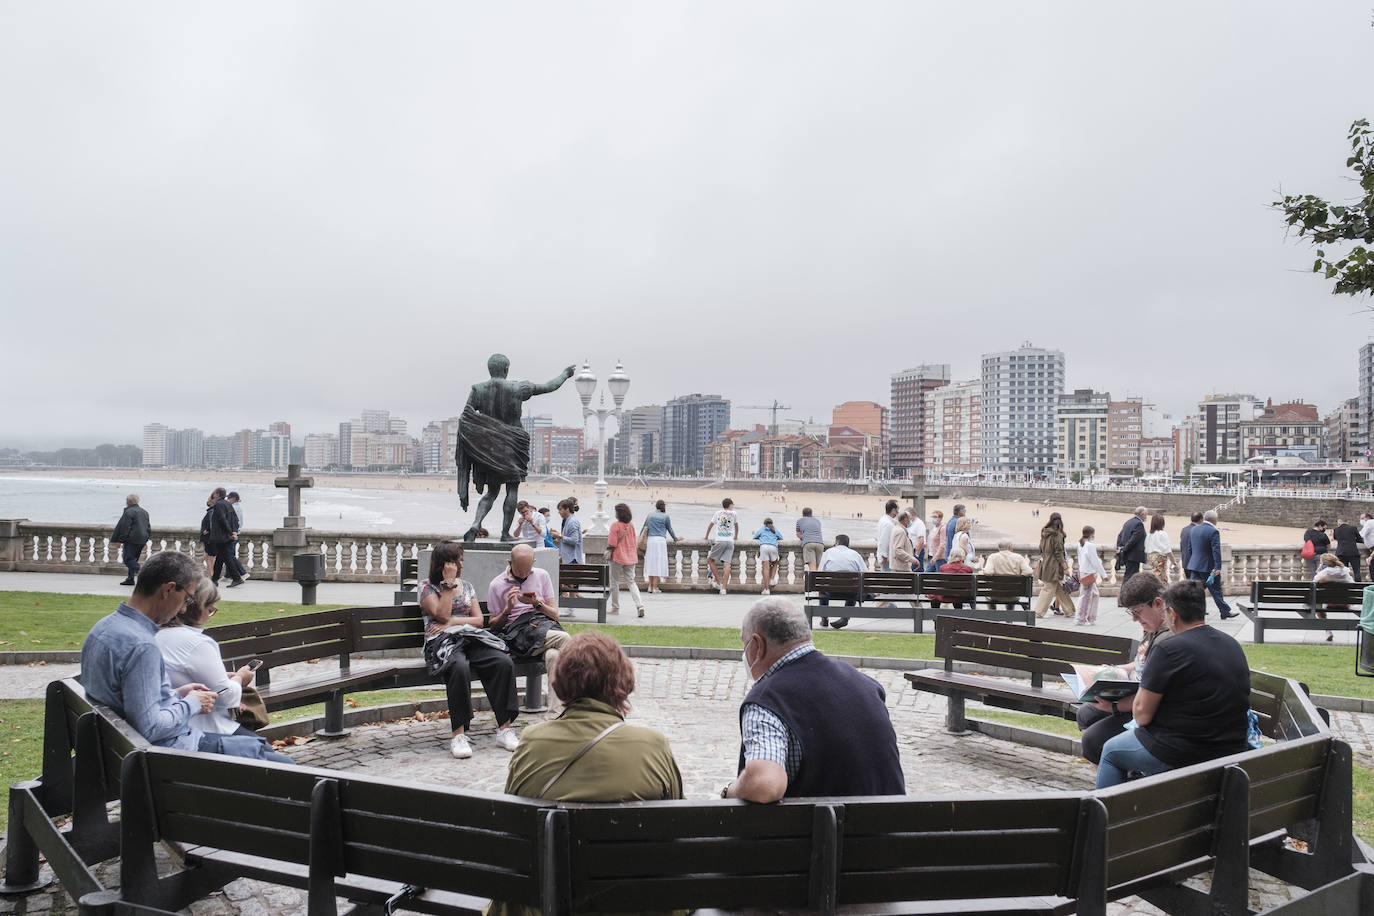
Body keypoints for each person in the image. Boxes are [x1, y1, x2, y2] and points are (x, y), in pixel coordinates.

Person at [488, 632, 684, 916]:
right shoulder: (652, 746)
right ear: (623, 682)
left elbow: (515, 829)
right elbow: (674, 833)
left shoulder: (532, 742)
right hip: (634, 907)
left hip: (545, 907)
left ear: (561, 681)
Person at [81, 551, 287, 762]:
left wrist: (177, 694)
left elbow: (134, 701)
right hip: (170, 756)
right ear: (168, 589)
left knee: (261, 749)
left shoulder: (104, 628)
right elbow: (151, 728)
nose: (182, 608)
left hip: (120, 751)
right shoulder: (142, 645)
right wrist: (192, 703)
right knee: (292, 772)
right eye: (186, 599)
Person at [725, 598, 904, 802]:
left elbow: (765, 784)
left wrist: (730, 790)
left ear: (757, 645)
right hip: (891, 827)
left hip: (824, 833)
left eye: (744, 643)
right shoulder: (867, 685)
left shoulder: (767, 701)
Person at [1095, 580, 1250, 788]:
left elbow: (1141, 716)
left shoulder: (1169, 649)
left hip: (1183, 750)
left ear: (1173, 615)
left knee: (1111, 752)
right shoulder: (1231, 644)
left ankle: (1108, 818)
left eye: (1166, 613)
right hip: (1230, 747)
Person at [156, 576, 293, 763]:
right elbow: (226, 696)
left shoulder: (156, 633)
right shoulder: (196, 642)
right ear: (198, 608)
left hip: (174, 725)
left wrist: (223, 680)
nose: (212, 614)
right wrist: (239, 678)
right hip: (201, 728)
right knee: (278, 761)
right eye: (211, 609)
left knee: (267, 751)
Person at [456, 355, 576, 542]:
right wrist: (565, 374)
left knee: (491, 492)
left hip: (489, 449)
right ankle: (505, 534)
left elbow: (466, 417)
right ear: (506, 370)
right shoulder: (518, 388)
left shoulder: (478, 389)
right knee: (512, 489)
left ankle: (475, 524)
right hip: (513, 445)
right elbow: (549, 386)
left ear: (490, 369)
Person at [419, 541, 520, 758]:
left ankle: (505, 729)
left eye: (461, 560)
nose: (461, 565)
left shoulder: (467, 585)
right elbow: (441, 615)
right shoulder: (427, 587)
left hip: (470, 639)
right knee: (459, 667)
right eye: (456, 561)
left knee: (502, 662)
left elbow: (479, 621)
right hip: (441, 643)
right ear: (444, 564)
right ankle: (458, 734)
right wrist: (447, 585)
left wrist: (453, 622)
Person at [1075, 573, 1172, 765]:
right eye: (1131, 613)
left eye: (1137, 611)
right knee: (1086, 713)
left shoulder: (1166, 640)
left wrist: (1113, 707)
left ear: (1158, 604)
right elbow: (1141, 662)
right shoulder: (1152, 626)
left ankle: (1120, 779)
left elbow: (1151, 696)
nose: (1135, 619)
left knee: (1093, 741)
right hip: (1135, 695)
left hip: (1149, 708)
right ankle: (1117, 769)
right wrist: (1114, 669)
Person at [488, 544, 572, 676]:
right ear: (510, 563)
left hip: (543, 625)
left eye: (527, 570)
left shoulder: (542, 575)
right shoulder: (497, 584)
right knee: (564, 638)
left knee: (553, 656)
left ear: (533, 562)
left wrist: (537, 603)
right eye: (519, 571)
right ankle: (580, 691)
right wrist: (507, 610)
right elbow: (493, 626)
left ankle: (560, 697)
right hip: (518, 635)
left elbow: (555, 616)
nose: (523, 575)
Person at [1185, 509, 1236, 619]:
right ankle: (1225, 612)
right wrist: (1217, 567)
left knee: (1195, 591)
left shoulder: (1194, 529)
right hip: (1208, 566)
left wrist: (1192, 562)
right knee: (1216, 590)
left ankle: (1193, 611)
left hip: (1195, 565)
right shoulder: (1213, 531)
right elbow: (1216, 551)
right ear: (1215, 519)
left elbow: (1189, 549)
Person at [816, 534, 865, 629]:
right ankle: (845, 618)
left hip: (830, 591)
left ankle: (824, 618)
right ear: (848, 544)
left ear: (836, 543)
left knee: (822, 588)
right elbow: (865, 573)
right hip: (850, 592)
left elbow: (820, 573)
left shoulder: (828, 552)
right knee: (854, 588)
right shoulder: (855, 554)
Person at [606, 503, 646, 617]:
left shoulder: (615, 525)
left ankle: (615, 607)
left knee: (614, 582)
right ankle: (639, 605)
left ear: (618, 513)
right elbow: (634, 541)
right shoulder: (631, 526)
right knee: (631, 582)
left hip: (617, 557)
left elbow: (612, 543)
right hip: (630, 557)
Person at [1034, 513, 1075, 619]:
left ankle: (1069, 610)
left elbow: (1040, 549)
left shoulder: (1044, 533)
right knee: (1048, 588)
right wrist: (1065, 567)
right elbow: (1059, 553)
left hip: (1046, 563)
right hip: (1054, 566)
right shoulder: (1057, 535)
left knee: (1059, 588)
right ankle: (1038, 612)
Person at [111, 493, 151, 586]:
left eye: (126, 500)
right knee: (133, 559)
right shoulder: (144, 512)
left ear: (129, 501)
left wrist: (120, 540)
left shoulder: (129, 512)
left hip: (131, 540)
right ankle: (130, 579)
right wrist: (146, 540)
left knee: (127, 559)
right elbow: (148, 527)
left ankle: (142, 573)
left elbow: (125, 528)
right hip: (141, 539)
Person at [207, 488, 243, 588]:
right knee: (220, 558)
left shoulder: (218, 505)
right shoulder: (228, 504)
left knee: (226, 557)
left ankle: (237, 578)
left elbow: (223, 520)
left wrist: (231, 532)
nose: (213, 495)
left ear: (217, 494)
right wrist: (234, 531)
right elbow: (235, 520)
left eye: (214, 493)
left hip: (221, 536)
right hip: (226, 536)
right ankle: (214, 580)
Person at [1313, 552, 1353, 642]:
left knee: (1318, 606)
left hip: (1330, 603)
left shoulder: (1325, 572)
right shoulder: (1345, 572)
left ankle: (1328, 630)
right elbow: (1352, 584)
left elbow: (1314, 582)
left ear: (1324, 564)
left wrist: (1319, 572)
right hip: (1345, 603)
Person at [642, 499, 680, 594]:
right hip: (660, 541)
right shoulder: (665, 516)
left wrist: (639, 540)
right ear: (664, 507)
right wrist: (675, 538)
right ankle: (655, 588)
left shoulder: (650, 515)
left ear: (656, 506)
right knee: (658, 564)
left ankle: (650, 587)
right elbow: (670, 529)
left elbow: (644, 528)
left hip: (651, 540)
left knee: (651, 563)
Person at [704, 497, 740, 595]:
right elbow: (736, 526)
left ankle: (719, 583)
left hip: (720, 540)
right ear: (730, 505)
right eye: (732, 505)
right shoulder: (734, 513)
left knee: (710, 560)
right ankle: (724, 589)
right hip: (730, 541)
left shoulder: (718, 513)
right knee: (727, 564)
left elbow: (710, 525)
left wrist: (706, 536)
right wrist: (735, 536)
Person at [1076, 526, 1107, 626]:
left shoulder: (1080, 544)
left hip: (1084, 572)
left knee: (1094, 594)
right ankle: (1082, 619)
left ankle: (1091, 617)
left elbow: (1080, 560)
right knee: (1086, 596)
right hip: (1088, 573)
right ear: (1091, 534)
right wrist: (1104, 575)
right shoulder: (1090, 546)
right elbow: (1095, 562)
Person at [752, 517, 784, 596]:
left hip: (764, 547)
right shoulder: (774, 529)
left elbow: (755, 537)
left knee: (765, 568)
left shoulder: (762, 529)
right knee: (775, 563)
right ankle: (772, 579)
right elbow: (781, 537)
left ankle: (766, 589)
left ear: (764, 523)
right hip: (773, 547)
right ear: (772, 523)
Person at [1115, 507, 1148, 583]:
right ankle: (1125, 593)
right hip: (1134, 555)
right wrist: (1124, 549)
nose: (1146, 517)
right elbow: (1133, 540)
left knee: (1129, 576)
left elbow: (1120, 536)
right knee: (1131, 577)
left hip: (1127, 555)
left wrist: (1120, 548)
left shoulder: (1128, 522)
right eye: (1146, 514)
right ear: (1142, 514)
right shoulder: (1139, 524)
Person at [1144, 513, 1178, 583]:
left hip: (1150, 558)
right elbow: (1168, 550)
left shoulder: (1149, 535)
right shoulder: (1163, 534)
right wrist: (1174, 562)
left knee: (1155, 576)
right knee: (1161, 577)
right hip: (1159, 558)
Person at [224, 492, 249, 583]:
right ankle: (227, 575)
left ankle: (243, 573)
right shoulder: (238, 507)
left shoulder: (233, 508)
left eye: (229, 498)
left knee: (230, 555)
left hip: (232, 534)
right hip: (237, 533)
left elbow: (232, 522)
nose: (227, 500)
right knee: (229, 554)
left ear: (233, 499)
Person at [550, 497, 583, 564]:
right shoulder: (567, 520)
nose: (559, 512)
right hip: (568, 558)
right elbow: (566, 537)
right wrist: (557, 535)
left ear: (567, 509)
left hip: (572, 558)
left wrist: (559, 536)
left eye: (560, 510)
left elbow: (574, 540)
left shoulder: (572, 522)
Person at [1332, 517, 1362, 581]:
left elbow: (1335, 538)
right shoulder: (1353, 528)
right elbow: (1359, 539)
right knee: (1356, 571)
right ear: (1347, 521)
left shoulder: (1336, 529)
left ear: (1339, 522)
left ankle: (1346, 586)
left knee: (1343, 572)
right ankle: (1359, 586)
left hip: (1340, 552)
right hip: (1353, 552)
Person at [795, 507, 824, 572]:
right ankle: (818, 581)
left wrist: (804, 538)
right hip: (820, 543)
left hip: (808, 543)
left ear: (803, 514)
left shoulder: (800, 520)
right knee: (818, 567)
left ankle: (813, 582)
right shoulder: (817, 521)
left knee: (812, 566)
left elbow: (798, 534)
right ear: (811, 513)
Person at [875, 500, 899, 571]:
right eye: (898, 509)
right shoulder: (888, 524)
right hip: (887, 559)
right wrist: (884, 557)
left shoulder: (883, 519)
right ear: (894, 510)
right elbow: (884, 541)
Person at [1361, 512, 1374, 582]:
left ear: (1368, 518)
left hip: (1372, 548)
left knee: (1372, 568)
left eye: (1362, 518)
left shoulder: (1369, 522)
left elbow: (1362, 534)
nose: (1361, 520)